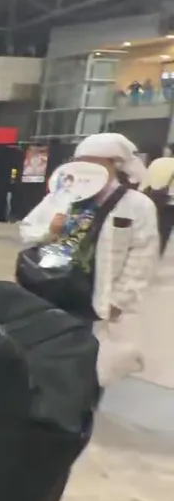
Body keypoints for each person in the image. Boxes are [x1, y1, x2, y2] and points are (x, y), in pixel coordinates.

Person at [20, 133, 159, 386]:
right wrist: (49, 231)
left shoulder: (137, 205)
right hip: (51, 288)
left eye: (94, 161)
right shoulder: (60, 197)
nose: (86, 168)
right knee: (44, 356)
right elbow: (27, 230)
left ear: (115, 163)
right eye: (81, 161)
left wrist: (121, 299)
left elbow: (143, 254)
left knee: (84, 366)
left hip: (94, 299)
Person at [140, 146, 173, 255]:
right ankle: (158, 253)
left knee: (148, 228)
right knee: (164, 233)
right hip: (169, 205)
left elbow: (144, 184)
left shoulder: (157, 162)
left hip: (151, 200)